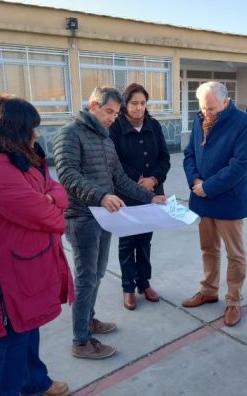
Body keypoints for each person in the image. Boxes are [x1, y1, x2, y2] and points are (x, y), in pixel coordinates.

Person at [0, 95, 74, 396]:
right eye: (31, 128)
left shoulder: (16, 156)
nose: (36, 134)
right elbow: (50, 217)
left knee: (28, 324)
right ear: (13, 129)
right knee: (14, 336)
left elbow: (55, 188)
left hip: (25, 261)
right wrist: (49, 202)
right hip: (4, 269)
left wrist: (50, 198)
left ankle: (35, 382)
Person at [53, 86, 166, 360]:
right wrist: (101, 196)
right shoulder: (70, 134)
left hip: (103, 217)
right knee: (86, 278)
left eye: (116, 113)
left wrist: (150, 198)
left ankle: (88, 321)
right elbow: (67, 174)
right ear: (93, 105)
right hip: (82, 218)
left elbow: (120, 179)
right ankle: (81, 340)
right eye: (108, 111)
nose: (112, 118)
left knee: (97, 274)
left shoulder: (104, 139)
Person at [182, 81, 247, 327]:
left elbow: (240, 164)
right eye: (203, 107)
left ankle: (234, 300)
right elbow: (189, 153)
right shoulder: (199, 119)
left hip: (228, 199)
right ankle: (209, 290)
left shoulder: (244, 122)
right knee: (208, 249)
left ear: (226, 101)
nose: (207, 113)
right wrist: (195, 180)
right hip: (201, 197)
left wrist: (208, 186)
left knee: (235, 254)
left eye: (212, 108)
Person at [109, 83, 171, 310]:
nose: (139, 108)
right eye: (134, 103)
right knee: (127, 242)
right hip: (126, 194)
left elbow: (165, 158)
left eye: (143, 103)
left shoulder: (153, 125)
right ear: (125, 104)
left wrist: (153, 180)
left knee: (145, 241)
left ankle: (143, 283)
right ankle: (128, 287)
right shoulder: (115, 127)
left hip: (152, 194)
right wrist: (137, 179)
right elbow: (113, 162)